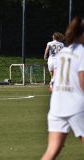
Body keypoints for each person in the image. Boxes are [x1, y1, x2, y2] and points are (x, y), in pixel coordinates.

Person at [41, 17, 84, 160]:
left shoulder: (63, 53)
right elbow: (82, 80)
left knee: (51, 152)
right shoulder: (82, 52)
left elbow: (55, 81)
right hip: (76, 104)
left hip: (57, 105)